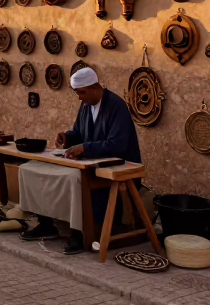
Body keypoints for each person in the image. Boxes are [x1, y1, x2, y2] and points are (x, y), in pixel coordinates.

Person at [17, 66, 142, 255]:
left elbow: (118, 145)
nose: (79, 98)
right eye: (77, 93)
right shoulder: (85, 106)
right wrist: (67, 137)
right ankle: (46, 223)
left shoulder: (117, 106)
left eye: (81, 93)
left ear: (94, 87)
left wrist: (85, 148)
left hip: (114, 168)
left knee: (73, 180)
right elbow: (78, 133)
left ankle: (78, 233)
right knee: (33, 169)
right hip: (89, 164)